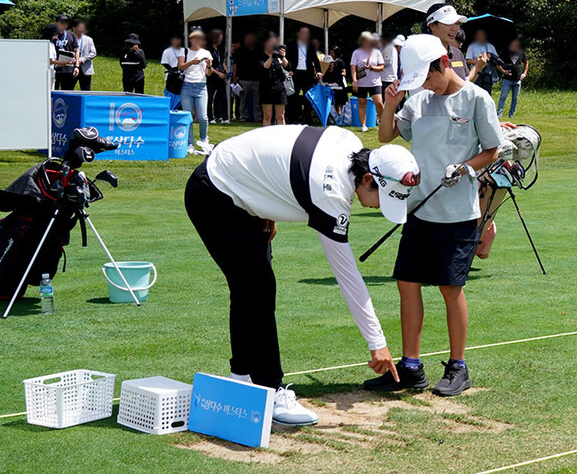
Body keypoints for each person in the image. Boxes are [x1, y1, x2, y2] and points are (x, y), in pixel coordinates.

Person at [184, 124, 420, 425]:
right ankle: (269, 391)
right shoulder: (330, 194)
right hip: (214, 195)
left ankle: (241, 377)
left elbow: (280, 155)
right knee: (257, 287)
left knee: (250, 288)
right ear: (367, 178)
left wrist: (266, 206)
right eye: (383, 198)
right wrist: (377, 342)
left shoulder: (349, 141)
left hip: (241, 193)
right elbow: (347, 277)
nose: (378, 207)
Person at [370, 34, 503, 397]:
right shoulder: (419, 100)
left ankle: (458, 366)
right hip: (418, 210)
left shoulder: (477, 99)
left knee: (450, 288)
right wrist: (391, 104)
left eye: (428, 77)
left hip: (457, 213)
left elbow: (491, 149)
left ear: (444, 63)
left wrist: (463, 168)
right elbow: (386, 136)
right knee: (407, 284)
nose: (426, 85)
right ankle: (410, 366)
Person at [423, 4, 487, 84]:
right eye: (449, 23)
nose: (454, 28)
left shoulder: (457, 53)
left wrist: (478, 67)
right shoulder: (422, 55)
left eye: (457, 23)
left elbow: (465, 83)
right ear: (432, 26)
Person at [178, 28, 213, 154]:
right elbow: (180, 66)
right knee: (188, 116)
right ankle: (189, 144)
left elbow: (208, 73)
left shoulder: (207, 53)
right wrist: (193, 62)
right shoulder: (184, 51)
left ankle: (203, 140)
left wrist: (209, 65)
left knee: (203, 116)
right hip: (186, 86)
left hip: (201, 86)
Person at [286, 25, 322, 125]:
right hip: (296, 73)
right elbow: (287, 59)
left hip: (308, 74)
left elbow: (315, 59)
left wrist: (318, 71)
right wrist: (289, 70)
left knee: (308, 97)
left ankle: (307, 120)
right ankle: (292, 119)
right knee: (293, 97)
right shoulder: (292, 45)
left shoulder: (310, 46)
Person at [350, 31, 384, 131]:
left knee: (379, 103)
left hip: (375, 82)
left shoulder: (377, 52)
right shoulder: (356, 53)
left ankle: (382, 121)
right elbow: (353, 68)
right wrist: (354, 81)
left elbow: (381, 67)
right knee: (361, 103)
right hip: (361, 83)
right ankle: (363, 125)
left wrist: (372, 67)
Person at [259, 32, 291, 127]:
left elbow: (288, 67)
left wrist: (283, 57)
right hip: (266, 89)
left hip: (279, 88)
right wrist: (271, 57)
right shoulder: (261, 55)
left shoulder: (278, 57)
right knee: (267, 116)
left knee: (281, 116)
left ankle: (281, 137)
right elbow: (264, 67)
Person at [232, 32, 262, 122]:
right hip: (243, 79)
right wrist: (234, 77)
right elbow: (235, 65)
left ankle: (258, 118)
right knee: (243, 101)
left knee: (257, 101)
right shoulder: (240, 50)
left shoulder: (259, 50)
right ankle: (243, 117)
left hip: (256, 79)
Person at [497, 38, 528, 119]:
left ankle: (511, 115)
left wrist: (524, 73)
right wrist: (503, 71)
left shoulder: (521, 52)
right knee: (503, 97)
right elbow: (497, 63)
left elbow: (526, 62)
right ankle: (499, 114)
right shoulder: (504, 52)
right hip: (507, 80)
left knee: (515, 99)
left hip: (517, 80)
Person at [466, 29, 498, 94]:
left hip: (488, 74)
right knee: (476, 93)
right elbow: (468, 60)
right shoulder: (472, 46)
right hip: (476, 73)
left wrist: (491, 56)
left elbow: (496, 59)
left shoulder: (490, 46)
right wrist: (480, 63)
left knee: (487, 94)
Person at [206, 29, 228, 124]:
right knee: (210, 97)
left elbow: (222, 62)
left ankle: (224, 117)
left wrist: (226, 71)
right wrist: (218, 73)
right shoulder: (208, 50)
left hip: (220, 76)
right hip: (212, 76)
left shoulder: (220, 49)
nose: (221, 39)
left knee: (222, 97)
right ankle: (210, 117)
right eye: (220, 37)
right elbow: (208, 65)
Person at [53, 13, 79, 90]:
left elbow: (76, 50)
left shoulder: (71, 35)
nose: (64, 25)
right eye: (62, 23)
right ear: (56, 23)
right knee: (54, 92)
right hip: (55, 69)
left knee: (68, 92)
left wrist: (77, 66)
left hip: (68, 69)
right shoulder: (52, 35)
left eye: (65, 23)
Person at [161, 33, 185, 110]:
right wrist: (172, 70)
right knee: (170, 93)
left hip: (181, 76)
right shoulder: (167, 51)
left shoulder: (184, 50)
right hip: (171, 76)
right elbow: (164, 63)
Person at [72, 18, 97, 91]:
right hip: (72, 67)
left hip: (85, 69)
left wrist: (82, 60)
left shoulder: (89, 39)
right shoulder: (69, 38)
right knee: (69, 89)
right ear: (74, 28)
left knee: (86, 90)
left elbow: (93, 53)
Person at [321, 46, 348, 114]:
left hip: (340, 84)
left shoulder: (340, 62)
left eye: (333, 53)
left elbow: (344, 72)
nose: (332, 54)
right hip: (330, 87)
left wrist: (338, 75)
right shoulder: (326, 72)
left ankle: (338, 112)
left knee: (340, 96)